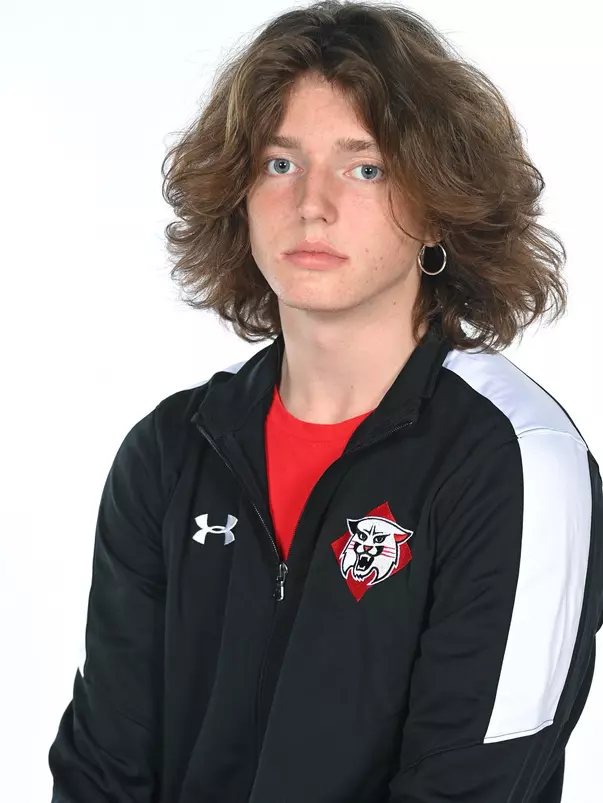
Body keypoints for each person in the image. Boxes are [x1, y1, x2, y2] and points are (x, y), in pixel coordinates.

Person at [48, 2, 603, 802]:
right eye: (280, 164)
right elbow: (103, 773)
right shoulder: (170, 452)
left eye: (364, 166)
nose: (312, 202)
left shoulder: (519, 461)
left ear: (438, 202)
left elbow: (470, 787)